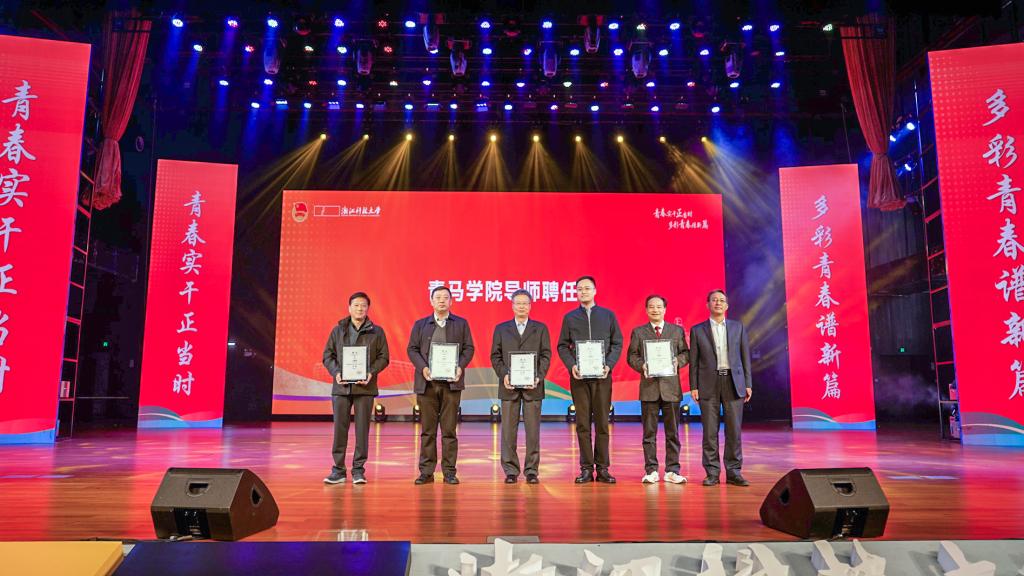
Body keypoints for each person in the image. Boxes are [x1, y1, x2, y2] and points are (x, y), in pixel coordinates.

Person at [557, 276, 623, 484]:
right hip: (579, 378)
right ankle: (586, 468)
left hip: (602, 377)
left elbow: (617, 343)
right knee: (583, 424)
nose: (583, 292)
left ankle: (603, 468)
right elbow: (562, 346)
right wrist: (572, 366)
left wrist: (609, 365)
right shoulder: (570, 318)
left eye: (587, 288)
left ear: (595, 291)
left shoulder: (608, 315)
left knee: (602, 423)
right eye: (579, 289)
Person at [407, 285, 475, 485]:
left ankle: (449, 472)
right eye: (438, 297)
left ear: (451, 301)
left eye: (446, 297)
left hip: (451, 385)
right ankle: (426, 472)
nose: (442, 301)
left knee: (449, 430)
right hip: (427, 384)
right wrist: (423, 368)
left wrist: (460, 367)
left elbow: (469, 348)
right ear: (431, 301)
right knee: (428, 430)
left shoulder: (461, 323)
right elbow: (412, 349)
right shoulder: (420, 325)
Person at [322, 292, 390, 485]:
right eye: (356, 305)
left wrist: (371, 372)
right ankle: (338, 470)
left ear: (368, 308)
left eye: (363, 305)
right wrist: (336, 372)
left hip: (365, 388)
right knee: (339, 430)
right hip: (341, 388)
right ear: (349, 308)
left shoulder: (377, 332)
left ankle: (359, 470)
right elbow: (327, 356)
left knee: (362, 431)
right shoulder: (338, 330)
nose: (360, 309)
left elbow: (384, 357)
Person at [689, 289, 752, 487]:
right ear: (708, 305)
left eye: (721, 300)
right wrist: (694, 386)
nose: (718, 303)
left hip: (733, 382)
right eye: (714, 300)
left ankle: (734, 472)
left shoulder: (737, 327)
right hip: (708, 383)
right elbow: (693, 362)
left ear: (727, 306)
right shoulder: (698, 330)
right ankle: (712, 473)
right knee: (709, 432)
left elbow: (745, 357)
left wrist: (748, 383)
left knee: (734, 430)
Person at [490, 289, 552, 484]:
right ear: (512, 305)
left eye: (525, 303)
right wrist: (504, 375)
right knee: (508, 432)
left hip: (533, 387)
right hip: (508, 387)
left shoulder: (540, 328)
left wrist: (539, 377)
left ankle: (532, 471)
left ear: (530, 306)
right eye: (518, 303)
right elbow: (495, 356)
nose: (522, 306)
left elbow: (546, 355)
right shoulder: (501, 329)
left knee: (533, 432)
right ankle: (510, 470)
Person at [626, 294, 689, 484]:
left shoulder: (676, 331)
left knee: (673, 433)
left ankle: (672, 470)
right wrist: (642, 365)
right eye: (651, 307)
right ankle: (651, 470)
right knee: (649, 434)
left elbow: (686, 353)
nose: (655, 310)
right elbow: (631, 356)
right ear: (646, 310)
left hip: (671, 389)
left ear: (665, 309)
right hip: (649, 388)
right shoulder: (639, 332)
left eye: (659, 306)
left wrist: (677, 361)